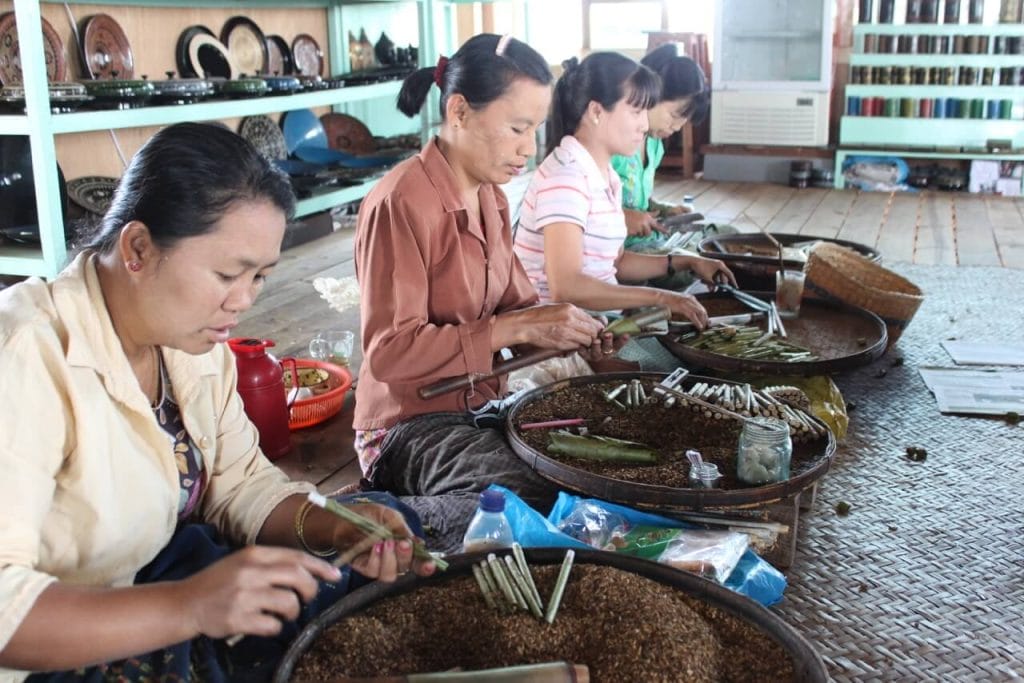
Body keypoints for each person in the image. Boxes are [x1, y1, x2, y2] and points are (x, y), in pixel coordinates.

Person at [0, 123, 434, 683]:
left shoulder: (192, 342)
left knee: (385, 522)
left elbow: (242, 486)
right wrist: (191, 606)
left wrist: (339, 527)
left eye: (259, 277)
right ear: (137, 248)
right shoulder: (26, 355)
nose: (244, 300)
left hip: (155, 569)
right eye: (228, 274)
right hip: (58, 639)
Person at [354, 34, 616, 554]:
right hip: (405, 427)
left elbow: (519, 311)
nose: (529, 147)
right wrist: (514, 329)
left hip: (476, 406)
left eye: (536, 130)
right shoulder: (401, 203)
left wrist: (568, 333)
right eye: (517, 128)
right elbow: (389, 353)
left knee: (580, 473)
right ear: (459, 111)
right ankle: (366, 523)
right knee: (519, 505)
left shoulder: (492, 198)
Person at [513, 52, 736, 337]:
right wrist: (661, 298)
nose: (644, 125)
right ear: (596, 112)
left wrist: (684, 260)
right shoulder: (566, 177)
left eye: (645, 112)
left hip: (597, 324)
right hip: (560, 335)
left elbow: (616, 263)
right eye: (636, 111)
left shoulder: (606, 176)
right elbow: (566, 286)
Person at [613, 43, 711, 241]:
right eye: (674, 116)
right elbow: (583, 209)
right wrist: (623, 217)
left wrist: (664, 210)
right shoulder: (613, 144)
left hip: (646, 240)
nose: (675, 128)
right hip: (619, 251)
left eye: (682, 123)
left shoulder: (653, 145)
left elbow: (639, 203)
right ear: (650, 94)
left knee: (721, 234)